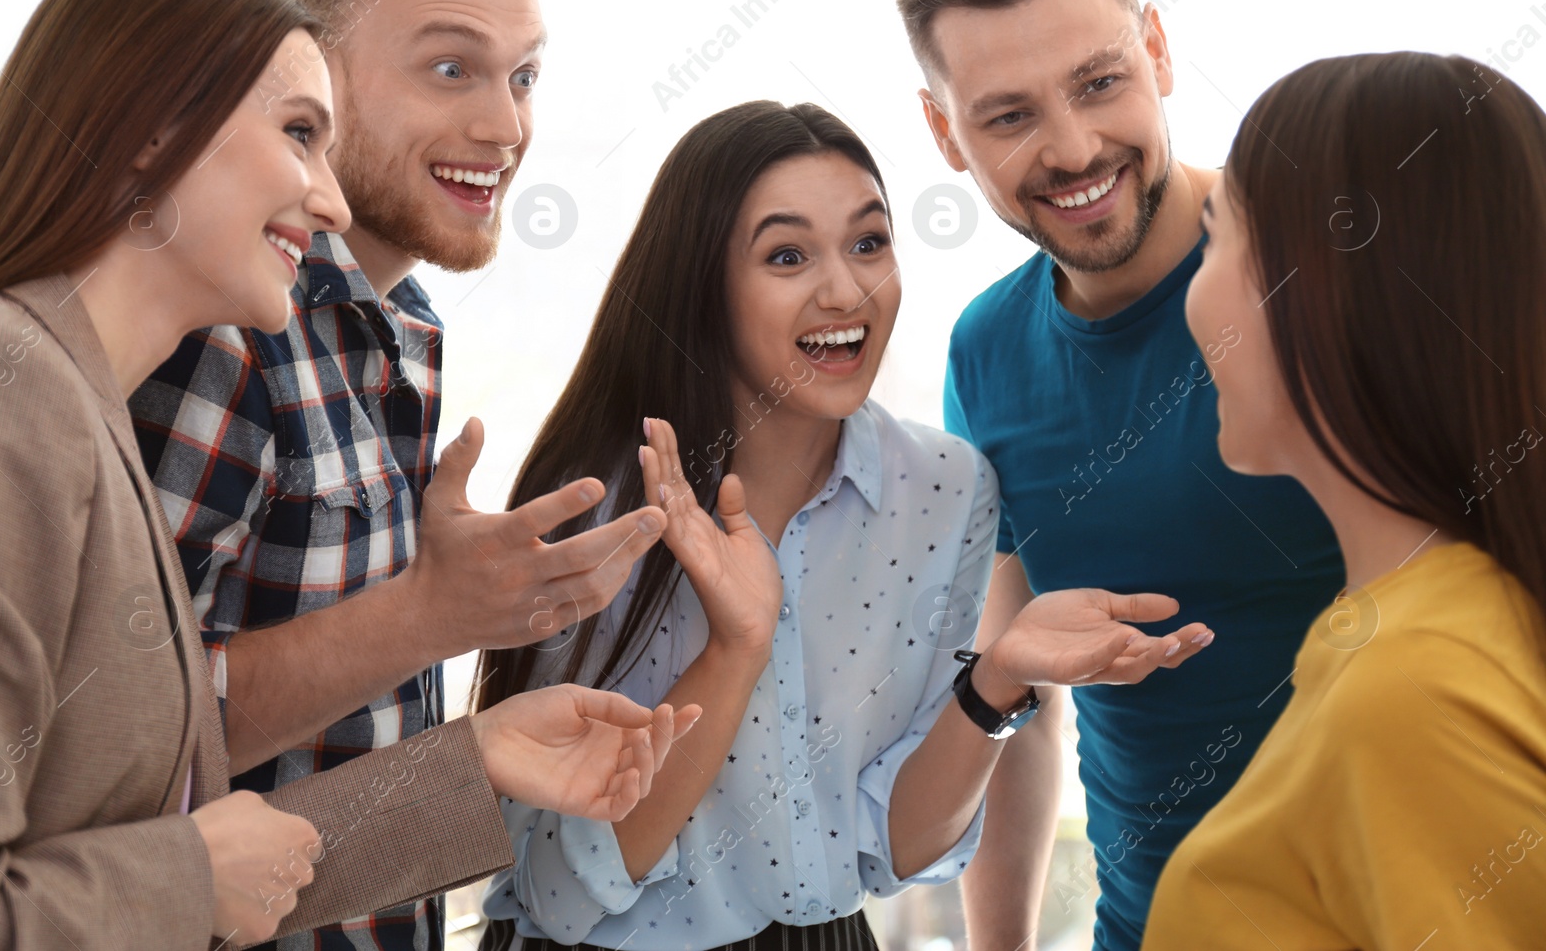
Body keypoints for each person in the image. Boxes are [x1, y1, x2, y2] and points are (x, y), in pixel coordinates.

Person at [0, 0, 694, 950]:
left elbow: (173, 809)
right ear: (147, 136)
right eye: (299, 132)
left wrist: (476, 755)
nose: (330, 197)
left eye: (523, 76)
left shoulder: (77, 400)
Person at [474, 100, 1209, 951]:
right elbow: (562, 894)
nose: (845, 289)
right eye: (787, 254)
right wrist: (734, 649)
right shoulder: (595, 505)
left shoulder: (944, 487)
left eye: (869, 242)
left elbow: (895, 844)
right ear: (700, 284)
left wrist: (999, 678)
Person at [128, 0, 671, 947]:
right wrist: (437, 612)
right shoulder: (221, 331)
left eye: (522, 77)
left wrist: (475, 751)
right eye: (450, 68)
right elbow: (112, 746)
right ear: (307, 81)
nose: (504, 124)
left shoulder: (400, 326)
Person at [893, 0, 1345, 949]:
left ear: (1155, 48)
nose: (1072, 147)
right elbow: (1022, 688)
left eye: (1099, 83)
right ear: (943, 133)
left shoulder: (1322, 272)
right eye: (1007, 115)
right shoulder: (986, 351)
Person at [1141, 51, 1546, 948]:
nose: (1192, 299)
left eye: (1219, 237)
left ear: (1322, 289)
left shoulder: (1412, 691)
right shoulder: (1417, 632)